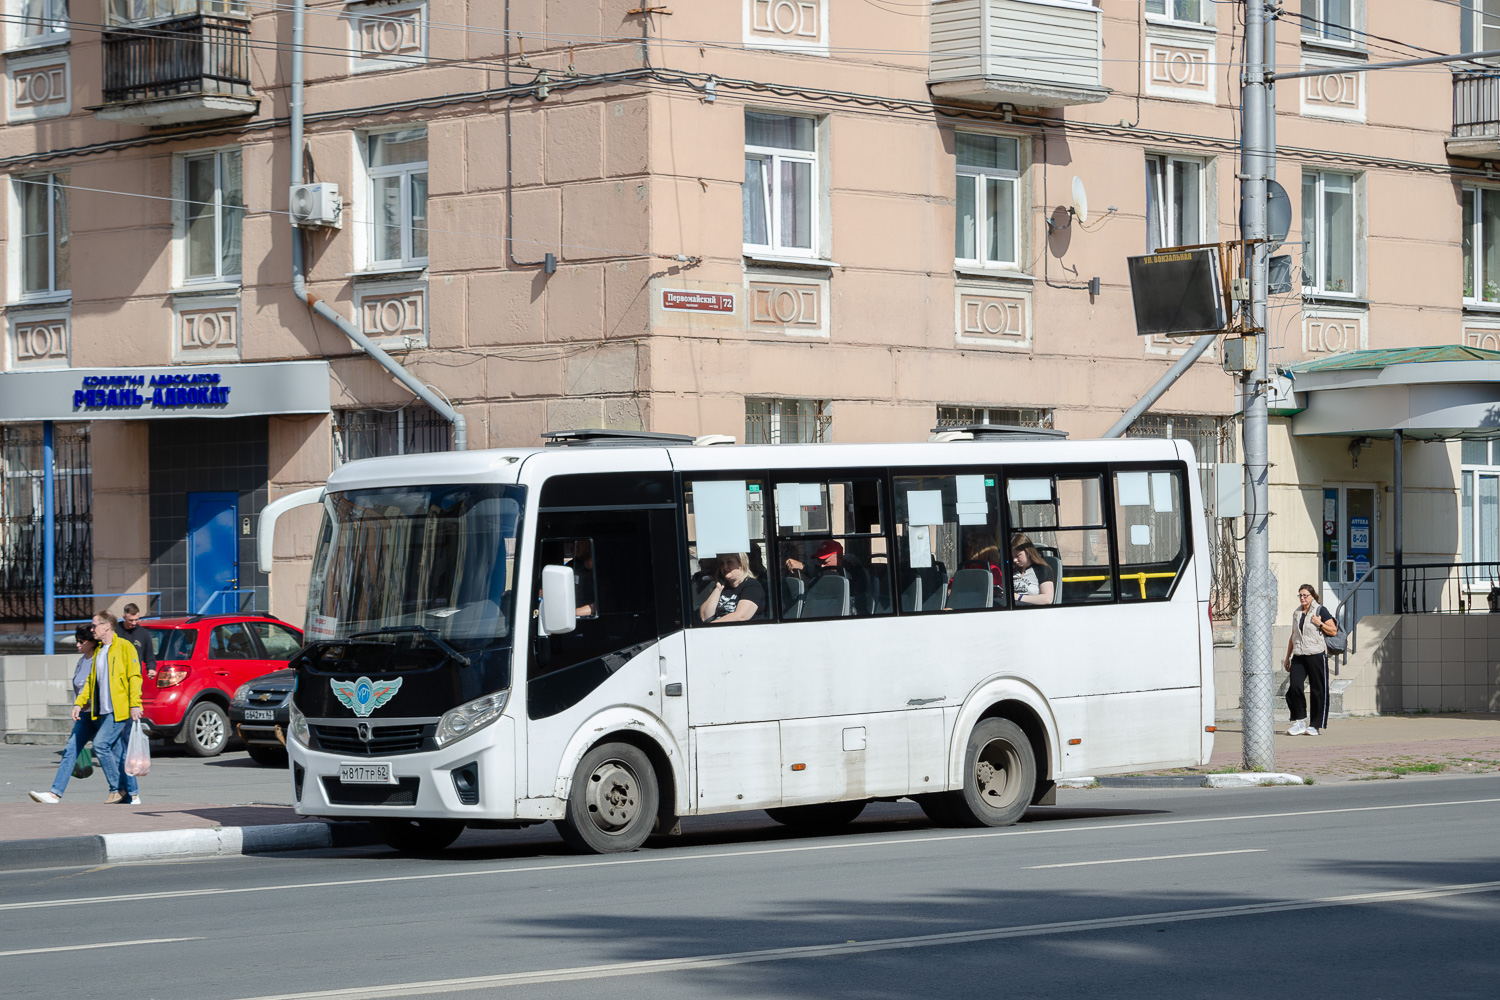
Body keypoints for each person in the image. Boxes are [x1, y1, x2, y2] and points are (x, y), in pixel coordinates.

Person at [30, 611, 145, 805]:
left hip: (117, 710)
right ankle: (55, 794)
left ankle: (121, 790)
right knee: (107, 751)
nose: (93, 629)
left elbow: (135, 677)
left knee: (102, 746)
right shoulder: (100, 651)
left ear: (106, 626)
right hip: (97, 711)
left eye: (95, 625)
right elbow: (91, 681)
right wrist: (78, 702)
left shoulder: (125, 647)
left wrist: (135, 704)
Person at [1282, 583, 1337, 736]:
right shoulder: (1297, 613)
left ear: (1312, 596)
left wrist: (1319, 623)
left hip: (1316, 654)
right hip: (1299, 655)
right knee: (1295, 687)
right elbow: (1293, 636)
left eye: (1305, 595)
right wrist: (1288, 657)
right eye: (1300, 595)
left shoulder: (1320, 610)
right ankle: (1299, 721)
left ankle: (1315, 725)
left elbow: (1333, 631)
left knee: (1318, 690)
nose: (1302, 598)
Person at [698, 553, 766, 623]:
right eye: (721, 563)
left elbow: (741, 616)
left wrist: (712, 625)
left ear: (741, 564)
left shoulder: (752, 586)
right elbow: (704, 616)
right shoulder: (722, 587)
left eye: (729, 562)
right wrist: (718, 589)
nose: (724, 567)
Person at [1011, 533, 1055, 606]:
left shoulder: (1041, 569)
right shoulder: (1013, 571)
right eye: (1012, 556)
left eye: (1018, 556)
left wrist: (1019, 597)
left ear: (1028, 552)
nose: (1014, 560)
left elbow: (1048, 598)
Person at [961, 532, 1006, 604]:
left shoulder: (992, 569)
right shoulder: (967, 566)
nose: (966, 550)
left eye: (969, 547)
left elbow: (991, 592)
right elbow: (954, 584)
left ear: (979, 549)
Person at [119, 602, 156, 680]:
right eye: (131, 620)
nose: (134, 623)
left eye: (136, 619)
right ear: (124, 617)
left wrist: (151, 669)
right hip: (117, 677)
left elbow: (149, 656)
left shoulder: (143, 633)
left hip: (134, 678)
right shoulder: (115, 631)